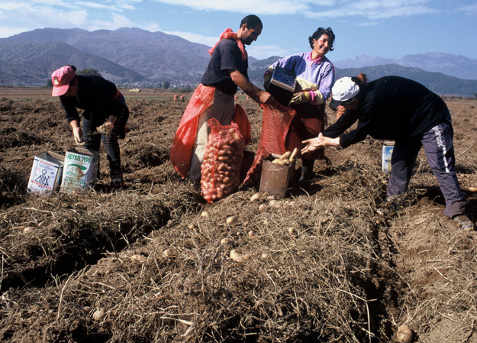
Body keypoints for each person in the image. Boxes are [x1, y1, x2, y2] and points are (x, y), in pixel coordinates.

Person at [302, 75, 473, 231]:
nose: (342, 108)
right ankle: (395, 201)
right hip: (408, 125)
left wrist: (328, 142)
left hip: (431, 119)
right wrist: (320, 138)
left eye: (344, 104)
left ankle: (457, 209)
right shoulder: (360, 97)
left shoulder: (372, 101)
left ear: (351, 100)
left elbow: (360, 133)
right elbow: (344, 122)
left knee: (440, 164)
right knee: (400, 162)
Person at [170, 14, 279, 183]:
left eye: (258, 35)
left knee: (220, 142)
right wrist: (259, 95)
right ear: (243, 26)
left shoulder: (241, 50)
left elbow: (244, 78)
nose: (255, 38)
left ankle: (213, 179)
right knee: (205, 141)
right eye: (254, 33)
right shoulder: (228, 45)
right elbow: (235, 75)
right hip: (213, 96)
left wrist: (257, 97)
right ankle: (195, 181)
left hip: (226, 97)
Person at [264, 27, 336, 182]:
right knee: (291, 138)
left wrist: (306, 95)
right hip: (292, 106)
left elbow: (324, 93)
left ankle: (306, 177)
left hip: (312, 109)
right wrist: (270, 75)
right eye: (323, 40)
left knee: (310, 139)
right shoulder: (298, 58)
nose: (325, 45)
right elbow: (275, 67)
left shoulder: (327, 67)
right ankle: (288, 174)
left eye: (329, 43)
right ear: (313, 41)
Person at [51, 65, 129, 188]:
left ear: (74, 82)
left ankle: (116, 179)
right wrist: (76, 128)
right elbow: (70, 113)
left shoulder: (95, 84)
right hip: (92, 110)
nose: (65, 94)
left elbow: (117, 105)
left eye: (66, 90)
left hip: (114, 107)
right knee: (89, 143)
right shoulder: (64, 94)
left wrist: (110, 121)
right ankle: (92, 177)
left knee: (108, 139)